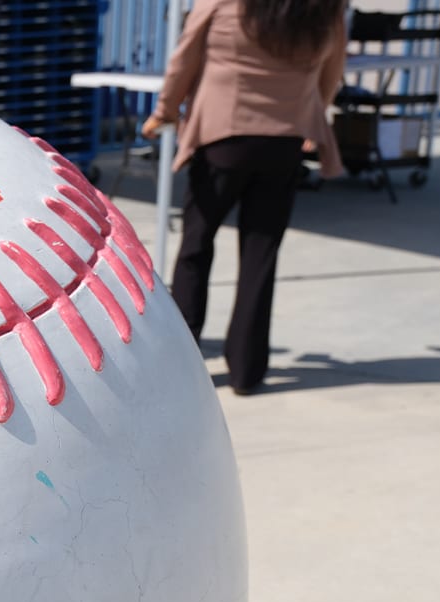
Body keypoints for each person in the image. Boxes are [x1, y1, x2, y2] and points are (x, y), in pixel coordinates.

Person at [146, 0, 344, 394]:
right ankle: (247, 370)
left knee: (196, 246)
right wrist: (310, 113)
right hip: (285, 141)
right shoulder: (323, 8)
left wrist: (164, 111)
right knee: (261, 254)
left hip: (224, 136)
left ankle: (182, 361)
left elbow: (184, 59)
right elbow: (331, 71)